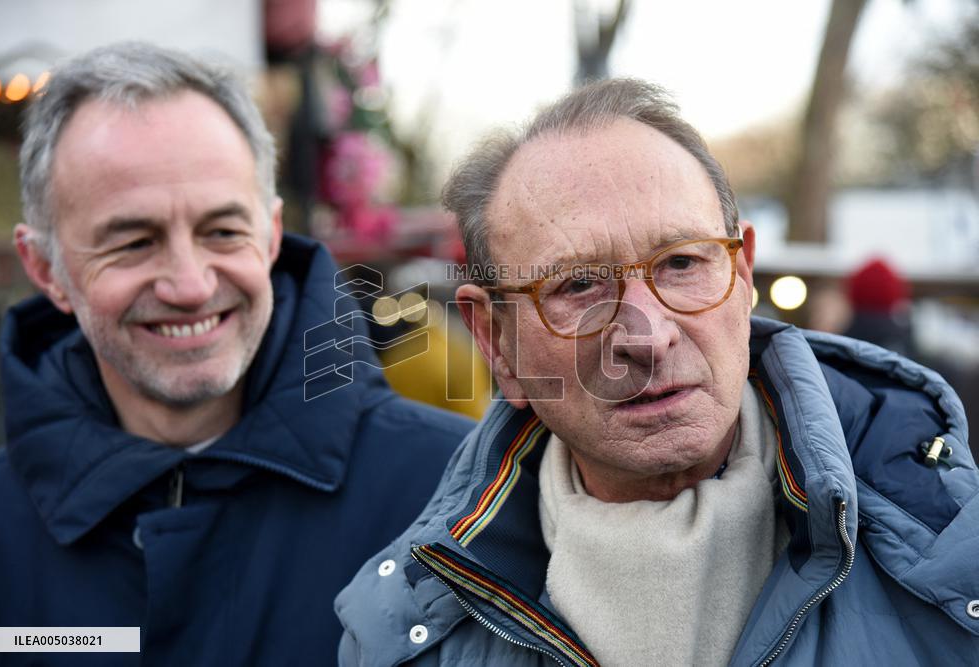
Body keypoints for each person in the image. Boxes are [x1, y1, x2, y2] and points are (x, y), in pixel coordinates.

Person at [336, 79, 978, 665]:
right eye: (580, 284)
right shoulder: (403, 638)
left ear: (742, 276)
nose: (648, 334)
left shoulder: (957, 564)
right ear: (498, 340)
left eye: (681, 264)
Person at [0, 42, 473, 665]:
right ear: (45, 267)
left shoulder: (452, 493)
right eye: (133, 241)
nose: (189, 285)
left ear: (269, 235)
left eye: (221, 231)